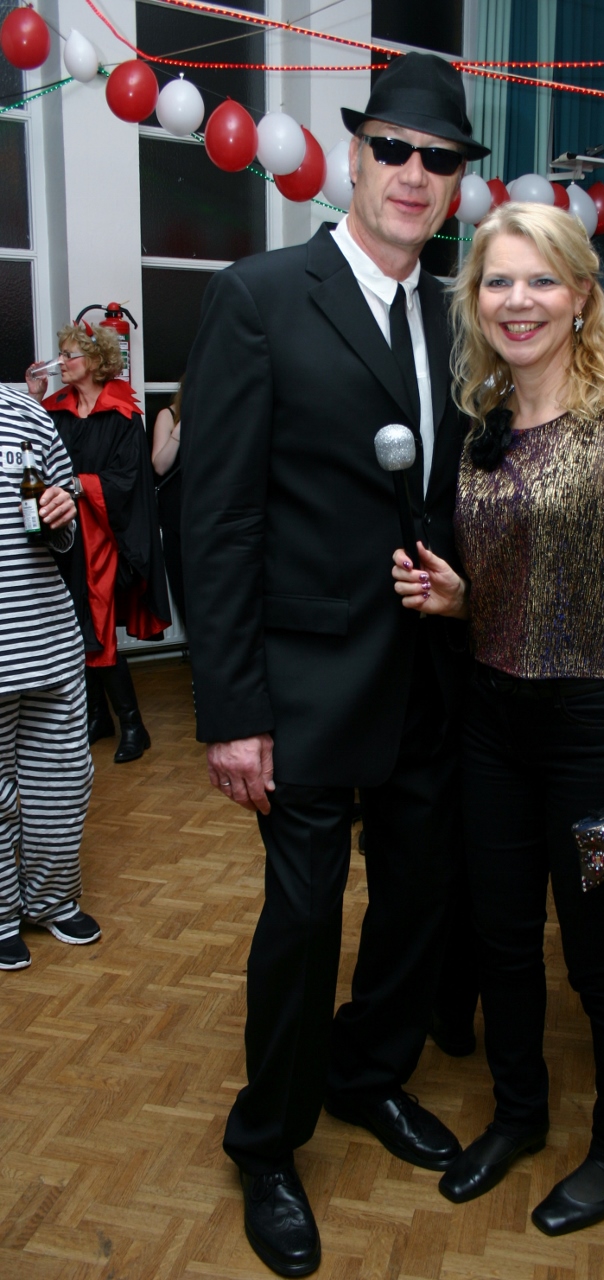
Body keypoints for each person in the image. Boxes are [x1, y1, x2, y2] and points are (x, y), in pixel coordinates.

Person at [181, 53, 487, 1278]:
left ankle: (367, 1075)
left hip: (428, 679)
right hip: (303, 685)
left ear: (456, 184)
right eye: (394, 149)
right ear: (353, 157)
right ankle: (266, 1140)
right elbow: (216, 519)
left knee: (417, 904)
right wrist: (230, 709)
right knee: (304, 921)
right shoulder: (260, 295)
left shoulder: (459, 314)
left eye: (439, 158)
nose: (414, 172)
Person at [391, 203, 604, 1235]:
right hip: (492, 728)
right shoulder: (480, 429)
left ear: (579, 294)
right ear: (475, 300)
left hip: (602, 734)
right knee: (501, 940)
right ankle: (519, 1116)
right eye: (497, 281)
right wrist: (462, 601)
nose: (517, 301)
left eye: (539, 280)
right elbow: (525, 582)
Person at [26, 325, 171, 764]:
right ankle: (99, 717)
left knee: (99, 626)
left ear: (93, 361)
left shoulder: (123, 415)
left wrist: (77, 485)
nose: (61, 362)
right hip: (66, 537)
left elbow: (127, 481)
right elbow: (32, 452)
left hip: (106, 537)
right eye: (61, 354)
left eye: (69, 355)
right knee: (75, 625)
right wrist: (34, 397)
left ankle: (134, 725)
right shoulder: (56, 410)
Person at [0, 382, 99, 970]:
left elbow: (61, 527)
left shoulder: (26, 413)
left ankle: (51, 901)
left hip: (48, 638)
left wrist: (62, 514)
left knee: (63, 782)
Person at [151, 379, 185, 626]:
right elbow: (160, 466)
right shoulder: (168, 415)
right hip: (175, 516)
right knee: (182, 585)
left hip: (205, 515)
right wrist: (179, 431)